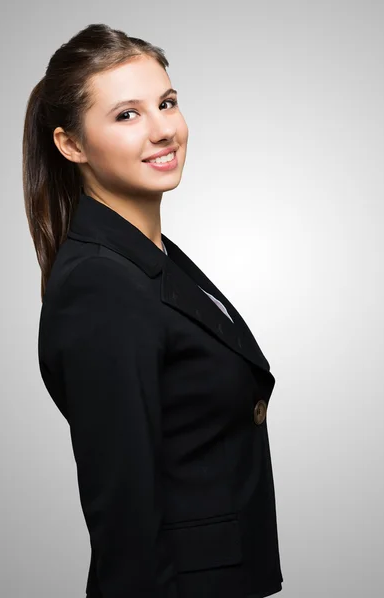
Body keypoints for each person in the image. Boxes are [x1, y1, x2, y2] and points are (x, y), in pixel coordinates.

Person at [22, 23, 283, 598]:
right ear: (71, 145)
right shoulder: (101, 286)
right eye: (127, 115)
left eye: (166, 103)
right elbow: (125, 517)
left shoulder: (145, 255)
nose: (164, 129)